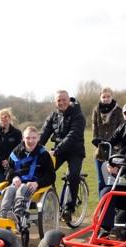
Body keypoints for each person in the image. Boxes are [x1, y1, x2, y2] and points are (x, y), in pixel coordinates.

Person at [39, 90, 86, 222]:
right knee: (44, 171)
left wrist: (56, 150)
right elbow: (44, 133)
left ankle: (69, 208)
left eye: (64, 99)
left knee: (73, 175)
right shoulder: (53, 116)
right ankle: (50, 201)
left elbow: (72, 136)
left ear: (68, 100)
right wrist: (34, 147)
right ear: (55, 102)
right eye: (59, 100)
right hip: (59, 150)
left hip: (75, 151)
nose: (62, 102)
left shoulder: (78, 115)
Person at [0, 126, 56, 232]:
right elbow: (8, 169)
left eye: (34, 138)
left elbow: (51, 176)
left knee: (22, 188)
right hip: (17, 182)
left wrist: (38, 183)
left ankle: (18, 216)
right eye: (28, 138)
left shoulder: (43, 154)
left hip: (33, 184)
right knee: (10, 189)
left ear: (38, 138)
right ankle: (4, 216)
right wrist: (14, 177)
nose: (30, 141)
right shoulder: (16, 152)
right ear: (23, 138)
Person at [91, 87, 124, 197]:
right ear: (100, 97)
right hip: (100, 150)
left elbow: (122, 128)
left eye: (108, 96)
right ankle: (102, 209)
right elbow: (94, 126)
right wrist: (96, 140)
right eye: (103, 97)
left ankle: (114, 208)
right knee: (101, 181)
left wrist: (116, 143)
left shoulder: (118, 110)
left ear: (112, 97)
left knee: (113, 180)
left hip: (115, 150)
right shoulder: (96, 110)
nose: (106, 99)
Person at [0, 108, 22, 184]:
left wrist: (9, 161)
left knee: (13, 190)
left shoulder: (17, 133)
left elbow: (20, 149)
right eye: (1, 117)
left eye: (6, 116)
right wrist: (1, 160)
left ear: (10, 118)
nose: (4, 119)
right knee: (0, 192)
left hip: (14, 168)